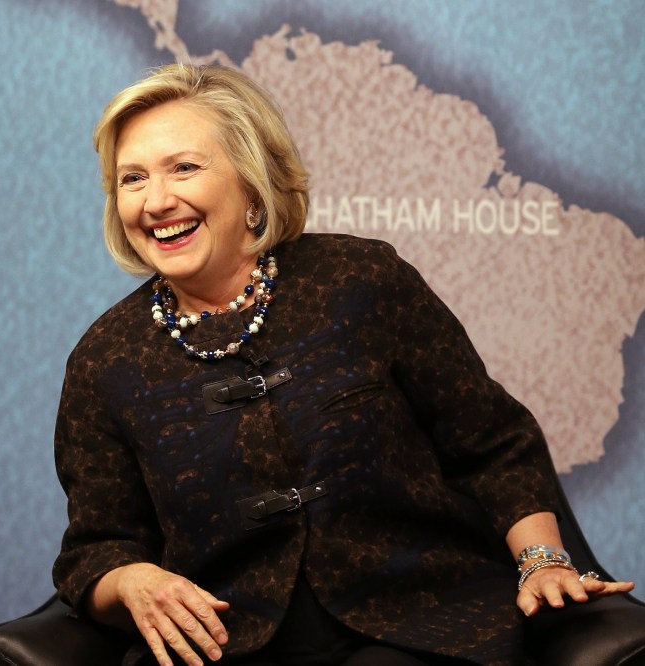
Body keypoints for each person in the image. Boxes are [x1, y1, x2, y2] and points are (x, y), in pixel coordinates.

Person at [51, 64, 634, 666]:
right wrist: (131, 581)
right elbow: (96, 548)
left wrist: (543, 561)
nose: (157, 201)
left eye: (185, 168)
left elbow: (491, 443)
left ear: (252, 184)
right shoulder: (104, 361)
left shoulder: (361, 281)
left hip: (422, 623)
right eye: (133, 178)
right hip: (230, 647)